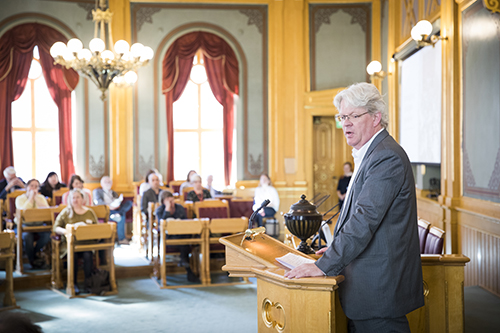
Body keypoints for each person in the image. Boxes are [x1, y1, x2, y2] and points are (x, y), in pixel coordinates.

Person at [285, 82, 424, 332]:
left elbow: (363, 221)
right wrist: (333, 252)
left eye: (353, 116)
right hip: (368, 285)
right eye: (342, 117)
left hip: (379, 289)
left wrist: (323, 266)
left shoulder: (386, 157)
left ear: (375, 117)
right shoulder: (369, 153)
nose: (345, 123)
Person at [54, 189, 98, 294]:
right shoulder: (66, 212)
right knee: (72, 255)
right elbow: (56, 227)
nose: (75, 200)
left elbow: (96, 227)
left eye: (78, 197)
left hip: (86, 243)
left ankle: (88, 284)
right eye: (73, 197)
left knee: (88, 255)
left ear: (82, 199)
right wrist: (66, 231)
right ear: (70, 200)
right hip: (70, 244)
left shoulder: (89, 212)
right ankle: (73, 284)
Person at [155, 190, 200, 283]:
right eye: (168, 201)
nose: (171, 203)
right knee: (185, 242)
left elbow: (185, 222)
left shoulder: (179, 208)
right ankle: (187, 266)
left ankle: (185, 262)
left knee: (185, 238)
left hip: (182, 235)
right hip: (168, 238)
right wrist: (167, 209)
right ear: (163, 201)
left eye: (171, 200)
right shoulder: (160, 210)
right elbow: (162, 224)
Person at [15, 179, 51, 269]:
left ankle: (34, 255)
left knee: (47, 235)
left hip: (39, 224)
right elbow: (23, 212)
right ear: (27, 187)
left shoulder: (41, 197)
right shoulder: (20, 199)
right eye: (32, 186)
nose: (34, 188)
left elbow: (46, 210)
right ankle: (32, 260)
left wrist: (36, 199)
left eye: (36, 186)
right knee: (27, 237)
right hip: (24, 225)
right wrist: (31, 199)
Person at [93, 176, 133, 245]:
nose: (107, 183)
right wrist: (109, 206)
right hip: (106, 211)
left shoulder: (114, 193)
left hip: (116, 210)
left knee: (129, 203)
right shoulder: (97, 191)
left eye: (109, 182)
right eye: (105, 182)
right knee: (122, 216)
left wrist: (117, 203)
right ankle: (121, 238)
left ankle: (119, 213)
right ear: (101, 184)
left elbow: (118, 202)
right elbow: (98, 202)